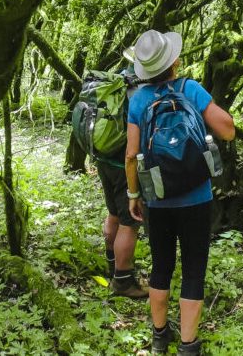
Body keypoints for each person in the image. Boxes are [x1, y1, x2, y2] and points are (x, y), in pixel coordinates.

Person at [125, 29, 235, 355]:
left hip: (157, 199)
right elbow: (228, 130)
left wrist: (134, 196)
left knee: (161, 268)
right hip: (197, 198)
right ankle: (189, 346)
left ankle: (160, 336)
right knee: (193, 270)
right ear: (173, 61)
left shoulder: (139, 99)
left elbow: (131, 155)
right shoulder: (190, 89)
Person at [95, 47, 149, 299]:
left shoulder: (116, 79)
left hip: (103, 159)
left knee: (113, 213)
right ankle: (123, 280)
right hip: (122, 165)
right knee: (130, 222)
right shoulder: (139, 91)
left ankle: (111, 263)